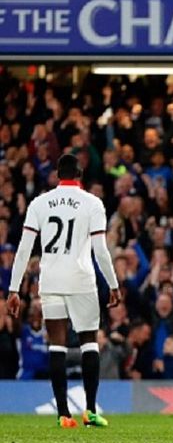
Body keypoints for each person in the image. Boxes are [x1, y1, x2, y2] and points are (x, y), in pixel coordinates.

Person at [7, 154, 121, 428]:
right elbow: (100, 250)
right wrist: (114, 284)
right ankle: (91, 411)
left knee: (56, 344)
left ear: (58, 175)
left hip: (51, 280)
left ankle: (62, 414)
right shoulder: (92, 203)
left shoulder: (40, 203)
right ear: (80, 175)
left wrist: (13, 289)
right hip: (81, 280)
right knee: (89, 343)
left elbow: (24, 249)